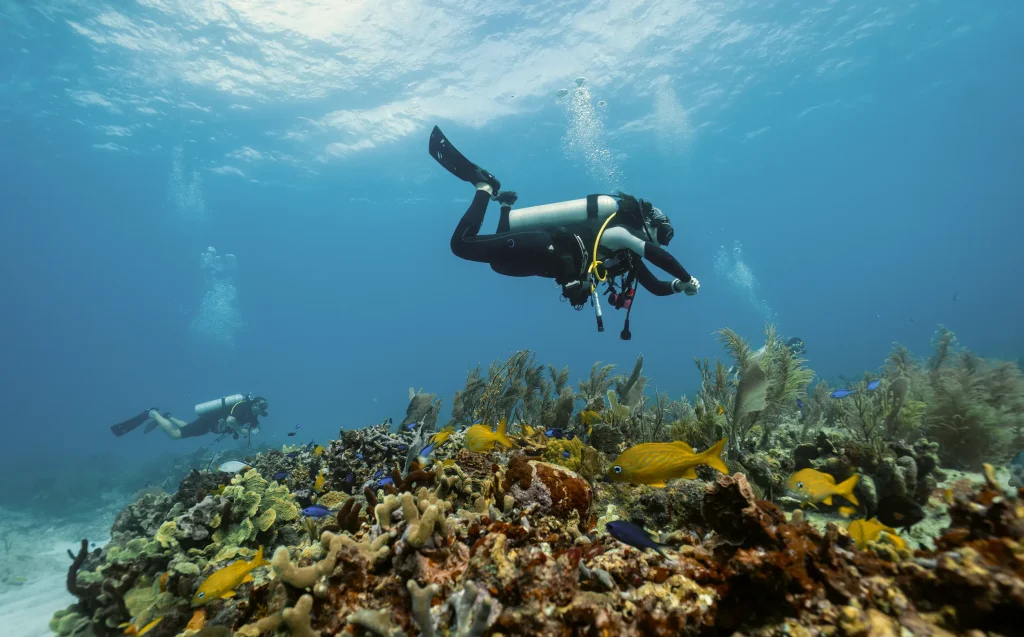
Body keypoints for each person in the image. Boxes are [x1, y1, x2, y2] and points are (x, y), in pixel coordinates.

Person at [428, 126, 698, 337]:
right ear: (646, 223)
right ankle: (484, 186)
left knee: (498, 261)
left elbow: (654, 286)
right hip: (544, 245)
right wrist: (686, 275)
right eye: (662, 232)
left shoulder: (627, 257)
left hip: (543, 263)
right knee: (461, 245)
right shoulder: (619, 233)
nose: (663, 241)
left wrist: (679, 286)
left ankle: (506, 207)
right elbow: (656, 256)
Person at [110, 394, 268, 440]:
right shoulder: (243, 407)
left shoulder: (252, 414)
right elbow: (231, 420)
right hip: (209, 421)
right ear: (254, 404)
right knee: (175, 435)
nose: (263, 411)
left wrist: (256, 430)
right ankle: (152, 413)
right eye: (262, 407)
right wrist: (241, 431)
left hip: (209, 426)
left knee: (187, 428)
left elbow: (255, 426)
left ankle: (169, 417)